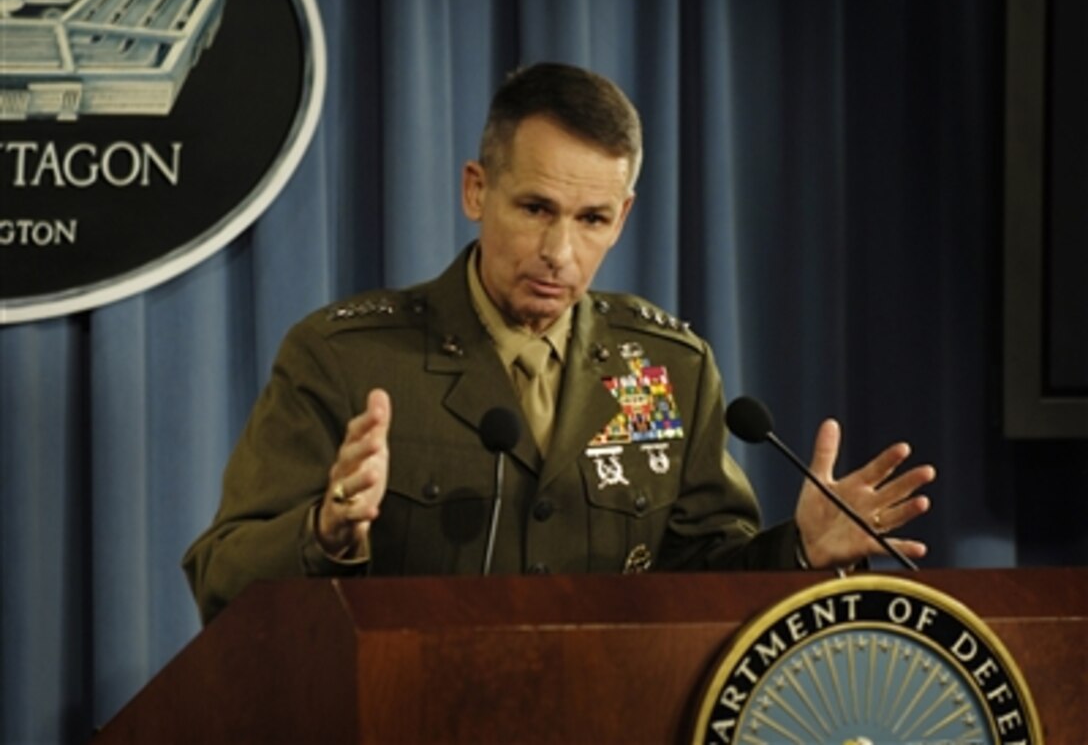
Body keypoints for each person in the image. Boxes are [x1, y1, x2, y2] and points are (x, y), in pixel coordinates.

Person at [183, 63, 934, 624]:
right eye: (536, 208)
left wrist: (796, 549)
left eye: (592, 219)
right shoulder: (346, 359)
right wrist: (324, 533)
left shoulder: (670, 366)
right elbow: (218, 574)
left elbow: (703, 579)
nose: (560, 252)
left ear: (625, 215)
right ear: (477, 190)